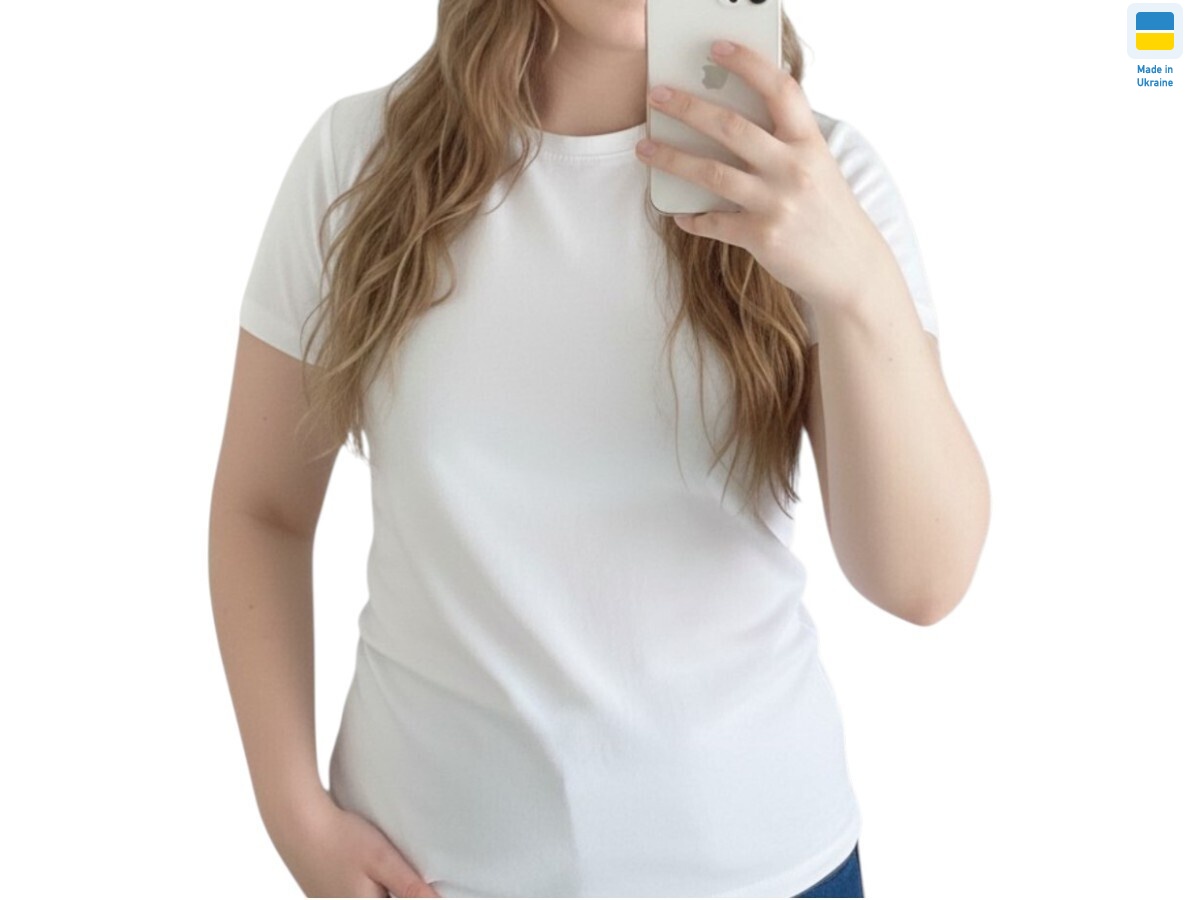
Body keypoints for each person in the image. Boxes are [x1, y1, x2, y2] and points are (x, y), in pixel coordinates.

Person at [209, 1, 990, 897]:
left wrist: (857, 281)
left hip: (768, 870)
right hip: (427, 874)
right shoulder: (356, 161)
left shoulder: (820, 184)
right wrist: (293, 816)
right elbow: (263, 509)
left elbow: (922, 581)